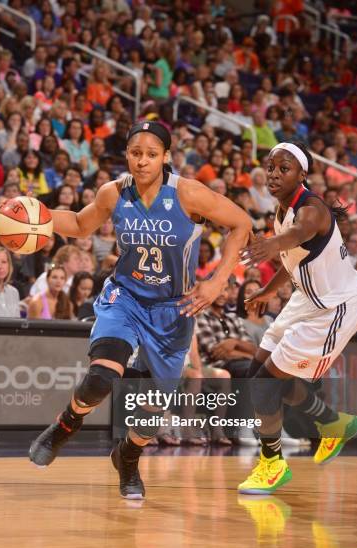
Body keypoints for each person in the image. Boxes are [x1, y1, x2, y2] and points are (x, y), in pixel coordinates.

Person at [22, 121, 252, 499]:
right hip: (125, 297)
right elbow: (80, 224)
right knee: (101, 376)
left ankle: (128, 459)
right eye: (135, 153)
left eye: (151, 154)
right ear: (126, 155)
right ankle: (65, 426)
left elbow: (241, 224)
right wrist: (36, 218)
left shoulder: (189, 194)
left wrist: (216, 281)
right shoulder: (114, 193)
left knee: (151, 413)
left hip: (172, 309)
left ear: (165, 157)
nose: (142, 161)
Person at [238, 141, 357, 495]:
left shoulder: (312, 209)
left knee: (267, 384)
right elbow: (293, 255)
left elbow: (300, 234)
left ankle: (272, 465)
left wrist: (272, 245)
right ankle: (331, 422)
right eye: (271, 167)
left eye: (284, 168)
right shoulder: (282, 211)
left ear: (302, 174)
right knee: (256, 374)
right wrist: (268, 289)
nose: (274, 174)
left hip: (335, 307)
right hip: (306, 298)